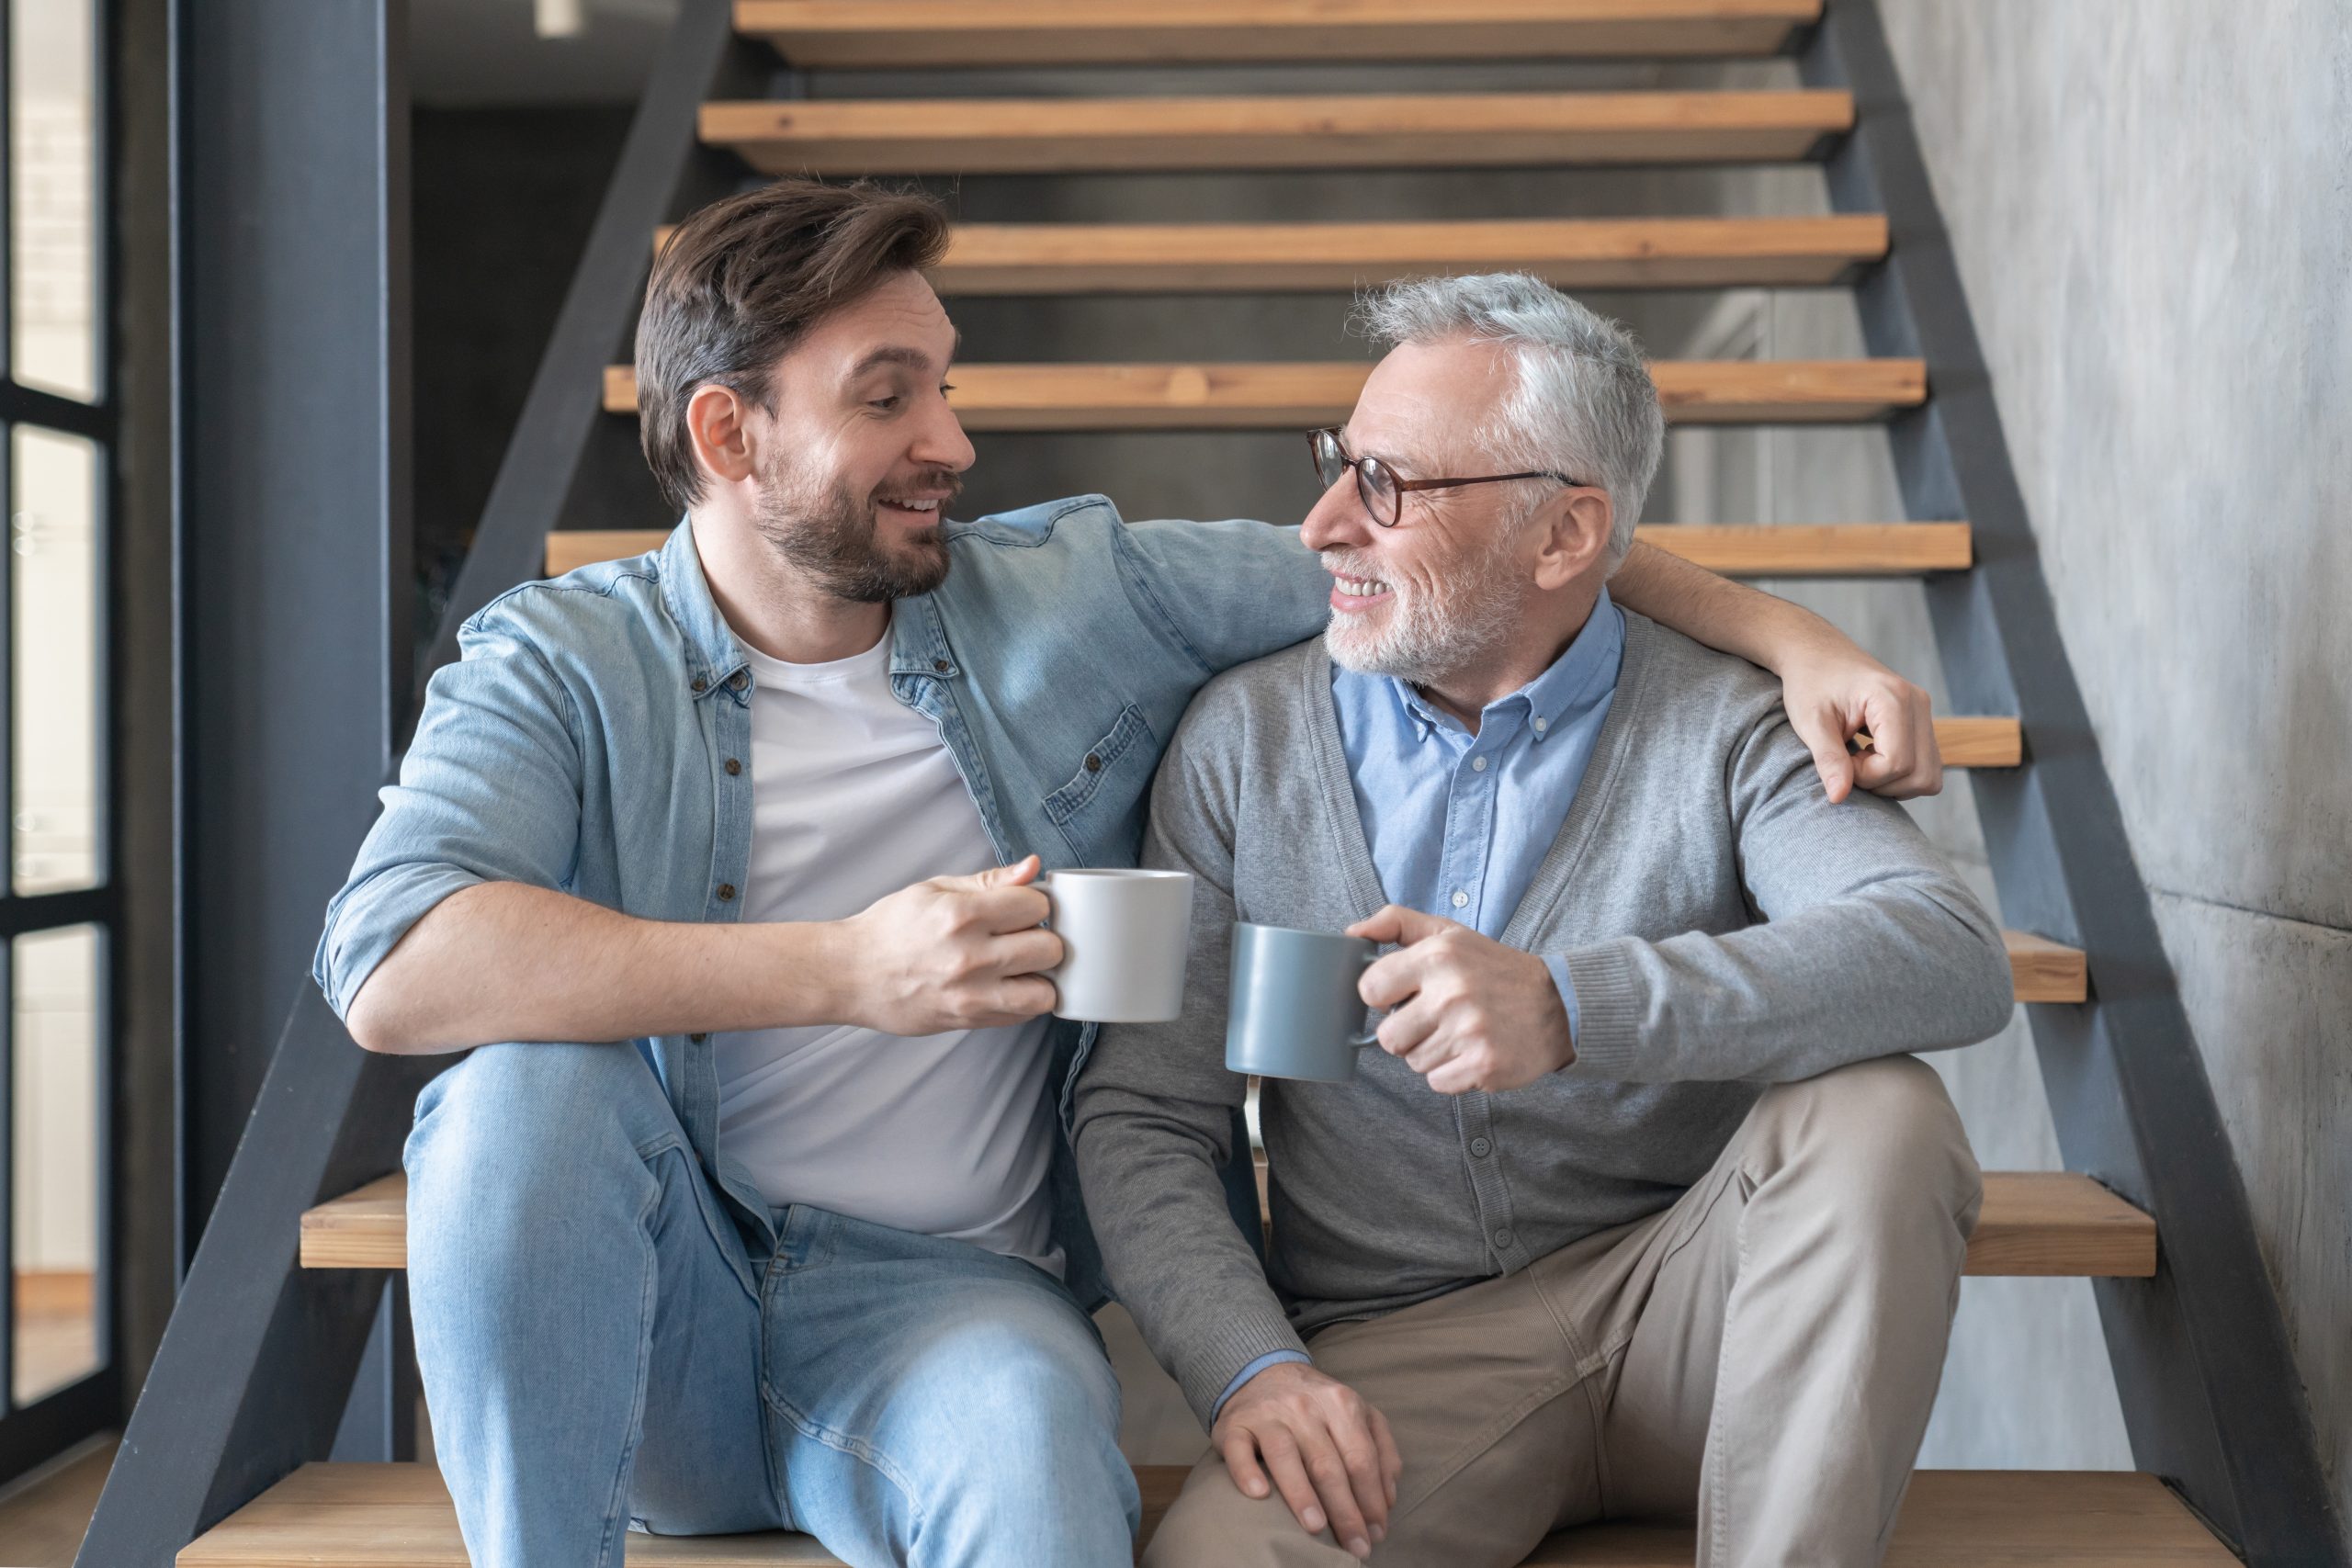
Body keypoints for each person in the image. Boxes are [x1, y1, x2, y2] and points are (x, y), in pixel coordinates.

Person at [314, 181, 1954, 1568]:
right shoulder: (557, 661)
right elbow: (393, 964)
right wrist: (846, 970)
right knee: (519, 1098)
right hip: (670, 1283)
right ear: (731, 434)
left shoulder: (1073, 594)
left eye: (946, 384)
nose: (954, 439)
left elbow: (1438, 562)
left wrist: (1782, 632)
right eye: (891, 398)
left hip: (951, 1307)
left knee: (1043, 1480)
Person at [1071, 273, 2015, 1568]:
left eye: (1388, 486)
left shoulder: (1733, 723)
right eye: (1339, 465)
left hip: (1708, 1315)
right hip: (1404, 1356)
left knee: (1883, 1114)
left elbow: (1943, 952)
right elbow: (1146, 1115)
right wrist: (1251, 1371)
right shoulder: (1243, 744)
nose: (1324, 523)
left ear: (1565, 535)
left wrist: (1576, 1007)